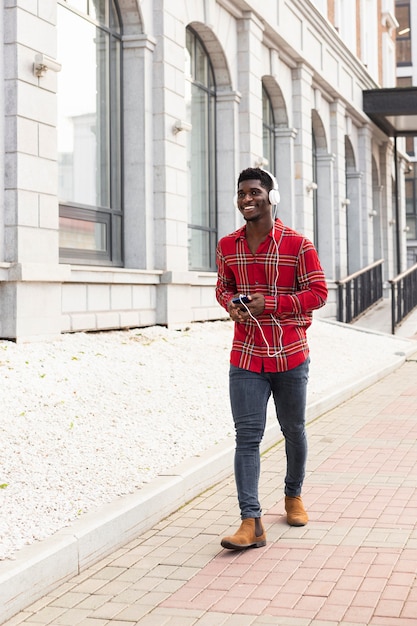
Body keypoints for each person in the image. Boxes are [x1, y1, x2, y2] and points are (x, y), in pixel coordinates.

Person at [215, 167, 328, 550]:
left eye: (254, 192)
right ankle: (251, 521)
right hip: (246, 355)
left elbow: (319, 293)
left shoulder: (298, 244)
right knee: (247, 437)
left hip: (290, 354)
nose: (247, 199)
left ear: (271, 196)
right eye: (241, 193)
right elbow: (223, 288)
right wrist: (232, 305)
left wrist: (274, 304)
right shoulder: (227, 245)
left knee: (292, 430)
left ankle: (293, 496)